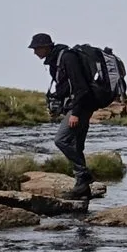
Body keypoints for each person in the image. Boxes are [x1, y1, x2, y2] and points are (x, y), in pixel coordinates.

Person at [31, 32, 100, 201]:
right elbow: (66, 87)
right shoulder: (56, 61)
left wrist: (75, 113)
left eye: (36, 48)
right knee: (76, 146)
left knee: (61, 140)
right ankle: (82, 189)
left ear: (46, 47)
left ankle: (84, 175)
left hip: (81, 107)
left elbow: (81, 88)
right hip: (79, 106)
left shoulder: (67, 58)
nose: (34, 52)